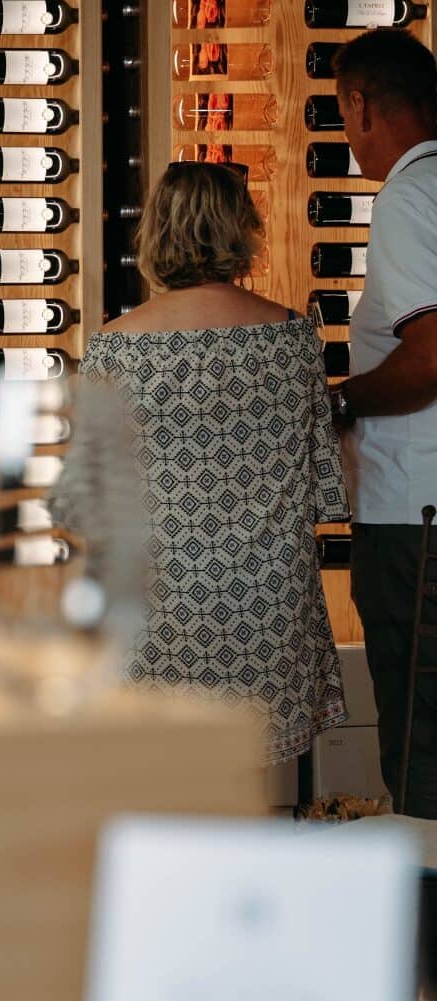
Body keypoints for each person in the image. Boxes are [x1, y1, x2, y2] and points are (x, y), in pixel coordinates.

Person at [52, 161, 350, 767]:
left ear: (156, 231)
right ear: (243, 229)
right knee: (257, 794)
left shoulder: (113, 347)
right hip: (267, 608)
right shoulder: (293, 337)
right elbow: (326, 490)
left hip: (156, 607)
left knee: (163, 784)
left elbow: (78, 505)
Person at [331, 30, 437, 816]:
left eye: (342, 113)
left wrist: (341, 402)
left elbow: (430, 356)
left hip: (416, 523)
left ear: (362, 105)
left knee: (420, 743)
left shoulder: (408, 195)